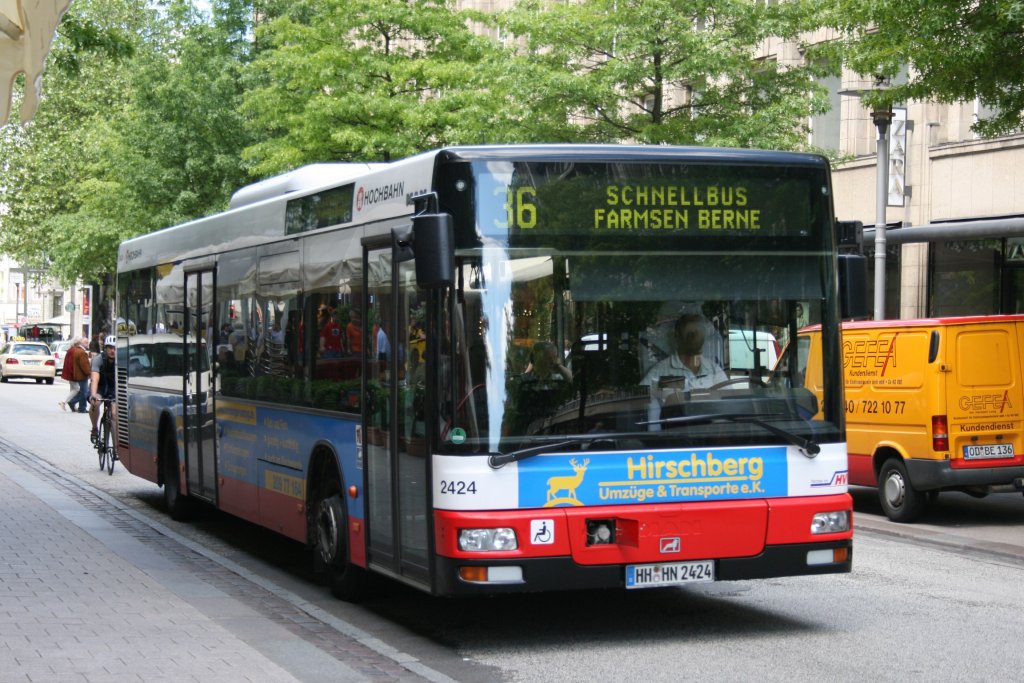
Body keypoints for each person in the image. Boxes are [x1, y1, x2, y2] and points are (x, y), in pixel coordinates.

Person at [89, 335, 118, 443]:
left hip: (114, 388)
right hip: (100, 386)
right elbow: (95, 379)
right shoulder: (98, 359)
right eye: (110, 348)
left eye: (115, 348)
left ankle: (116, 446)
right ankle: (94, 428)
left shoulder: (121, 360)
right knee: (95, 403)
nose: (112, 351)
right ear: (105, 348)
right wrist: (93, 395)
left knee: (114, 414)